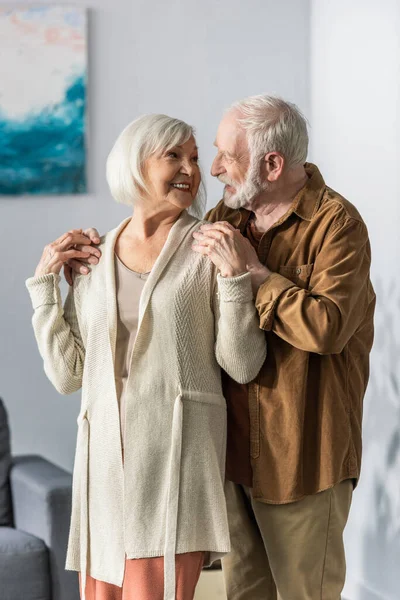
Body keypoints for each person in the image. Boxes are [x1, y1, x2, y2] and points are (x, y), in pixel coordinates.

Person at [72, 95, 376, 600]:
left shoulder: (337, 226)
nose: (210, 169)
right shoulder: (226, 218)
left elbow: (328, 328)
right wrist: (93, 258)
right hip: (230, 456)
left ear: (272, 163)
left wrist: (257, 276)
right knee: (243, 594)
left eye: (223, 156)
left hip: (301, 454)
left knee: (308, 593)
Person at [25, 114, 267, 600]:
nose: (191, 169)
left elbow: (242, 364)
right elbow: (69, 375)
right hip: (104, 471)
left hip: (173, 464)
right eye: (174, 156)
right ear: (136, 165)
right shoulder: (94, 257)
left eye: (195, 158)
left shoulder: (210, 247)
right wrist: (46, 290)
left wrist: (237, 284)